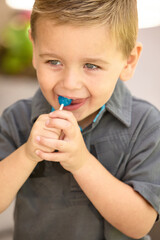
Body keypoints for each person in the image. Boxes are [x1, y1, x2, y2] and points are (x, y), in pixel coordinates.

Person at [0, 0, 160, 239]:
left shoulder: (146, 124)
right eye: (54, 62)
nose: (70, 84)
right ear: (34, 49)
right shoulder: (17, 119)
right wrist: (27, 154)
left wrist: (81, 163)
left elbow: (139, 225)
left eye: (91, 66)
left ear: (128, 62)